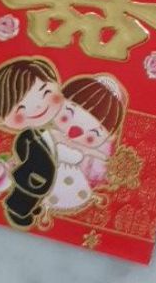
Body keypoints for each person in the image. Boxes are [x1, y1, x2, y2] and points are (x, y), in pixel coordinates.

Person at [0, 57, 63, 229]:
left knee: (34, 197)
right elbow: (23, 152)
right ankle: (17, 213)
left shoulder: (48, 130)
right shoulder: (26, 136)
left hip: (42, 176)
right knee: (23, 197)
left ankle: (30, 208)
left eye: (46, 93)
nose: (39, 106)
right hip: (31, 176)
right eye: (21, 108)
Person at [44, 74, 127, 216]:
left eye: (93, 133)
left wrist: (110, 162)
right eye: (67, 115)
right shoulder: (51, 134)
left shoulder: (86, 155)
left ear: (110, 137)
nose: (76, 130)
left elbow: (97, 155)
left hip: (71, 181)